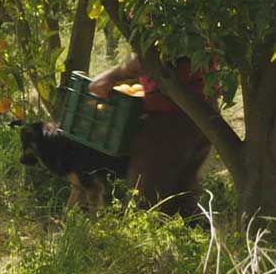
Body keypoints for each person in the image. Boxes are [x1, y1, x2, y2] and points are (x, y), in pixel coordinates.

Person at [88, 55, 215, 220]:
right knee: (181, 194)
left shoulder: (174, 32)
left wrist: (113, 75)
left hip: (171, 116)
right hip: (201, 112)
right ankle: (196, 238)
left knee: (146, 201)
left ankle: (147, 241)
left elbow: (153, 55)